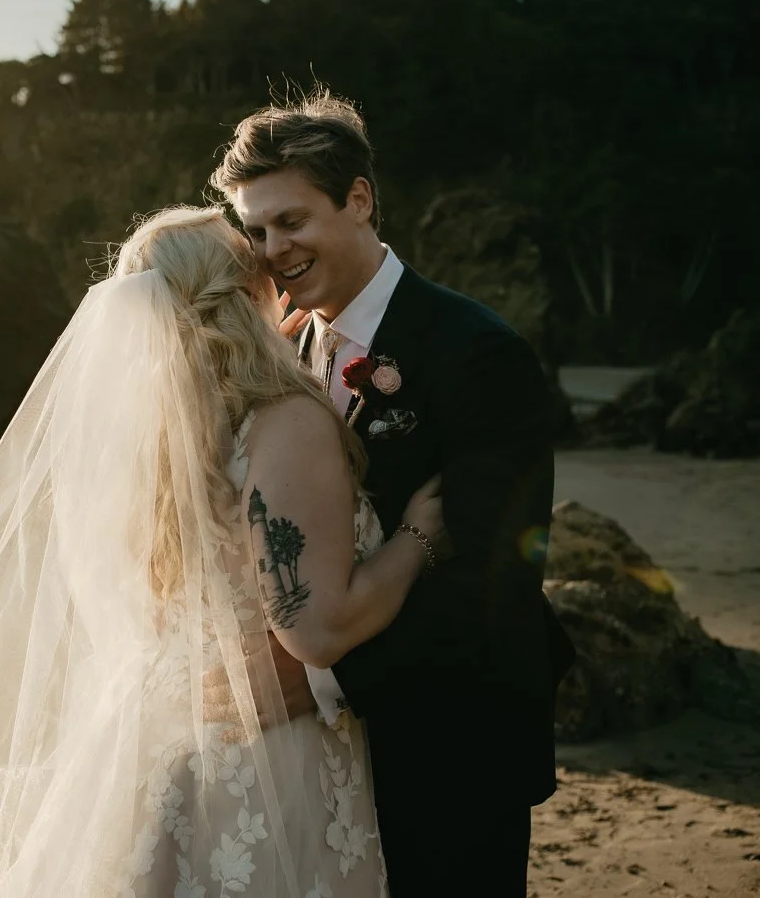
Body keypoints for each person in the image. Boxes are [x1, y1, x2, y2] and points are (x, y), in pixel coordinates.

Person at [0, 205, 449, 897]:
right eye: (255, 263)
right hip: (261, 756)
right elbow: (315, 631)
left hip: (149, 738)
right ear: (243, 294)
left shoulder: (142, 446)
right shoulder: (283, 422)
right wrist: (418, 534)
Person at [211, 90, 576, 896]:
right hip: (324, 766)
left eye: (292, 221)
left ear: (360, 199)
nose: (273, 249)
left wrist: (315, 681)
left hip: (451, 737)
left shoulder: (478, 355)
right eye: (258, 229)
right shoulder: (280, 354)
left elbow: (494, 581)